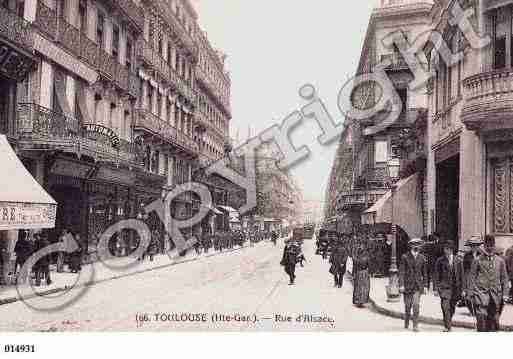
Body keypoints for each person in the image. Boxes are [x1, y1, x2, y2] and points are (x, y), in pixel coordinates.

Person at [468, 235, 510, 332]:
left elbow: (504, 278)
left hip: (496, 296)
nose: (490, 248)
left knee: (494, 323)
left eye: (491, 246)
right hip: (481, 295)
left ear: (494, 246)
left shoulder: (500, 261)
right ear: (484, 246)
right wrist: (470, 292)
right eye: (487, 246)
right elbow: (472, 277)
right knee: (481, 320)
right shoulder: (477, 260)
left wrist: (505, 294)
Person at [433, 240, 464, 332]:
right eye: (445, 249)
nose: (446, 251)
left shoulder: (458, 260)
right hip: (444, 288)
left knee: (452, 308)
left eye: (448, 249)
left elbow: (462, 276)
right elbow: (436, 275)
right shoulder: (440, 261)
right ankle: (448, 326)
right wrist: (436, 288)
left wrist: (463, 289)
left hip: (455, 288)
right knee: (445, 306)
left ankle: (448, 321)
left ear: (451, 250)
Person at [399, 238, 428, 332]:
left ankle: (415, 325)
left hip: (417, 286)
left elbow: (425, 273)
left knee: (416, 305)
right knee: (407, 306)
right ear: (411, 246)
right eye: (414, 245)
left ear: (420, 246)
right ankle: (407, 320)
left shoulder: (422, 258)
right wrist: (401, 285)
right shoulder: (405, 257)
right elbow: (401, 272)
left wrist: (426, 286)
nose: (416, 246)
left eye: (418, 245)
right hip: (407, 285)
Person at [461, 235, 483, 314]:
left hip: (479, 278)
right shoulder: (467, 255)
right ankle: (472, 311)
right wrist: (464, 285)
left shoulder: (482, 255)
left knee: (479, 296)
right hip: (469, 277)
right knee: (469, 297)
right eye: (472, 246)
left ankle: (478, 310)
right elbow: (465, 269)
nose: (474, 247)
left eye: (476, 245)